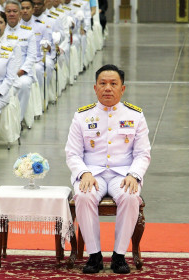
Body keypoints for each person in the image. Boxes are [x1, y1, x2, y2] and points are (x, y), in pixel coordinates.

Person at [65, 64, 151, 274]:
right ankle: (93, 255)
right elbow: (72, 153)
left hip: (123, 174)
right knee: (83, 196)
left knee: (130, 197)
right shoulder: (82, 116)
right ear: (95, 88)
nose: (107, 88)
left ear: (123, 89)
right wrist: (83, 172)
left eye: (114, 84)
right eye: (102, 84)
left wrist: (134, 175)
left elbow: (142, 153)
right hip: (92, 173)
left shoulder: (136, 115)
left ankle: (119, 255)